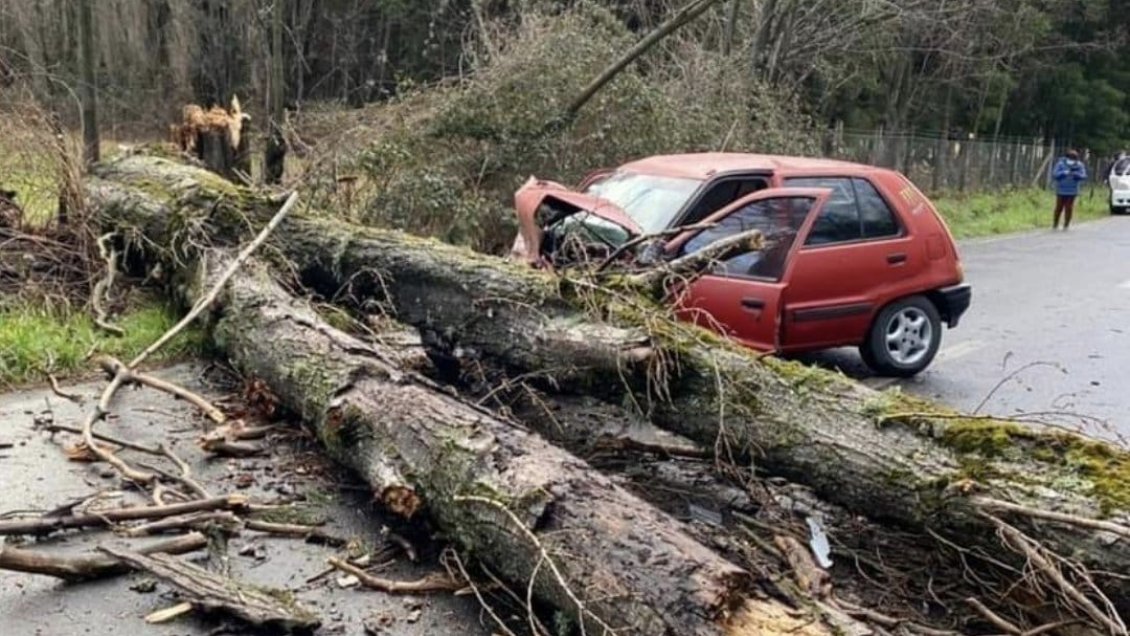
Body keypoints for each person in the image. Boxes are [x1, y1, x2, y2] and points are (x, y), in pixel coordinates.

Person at [1052, 149, 1087, 230]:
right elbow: (1055, 174)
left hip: (1072, 190)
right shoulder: (1060, 164)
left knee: (1069, 208)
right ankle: (1055, 223)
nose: (1071, 161)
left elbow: (1083, 175)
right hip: (1061, 189)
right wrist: (1063, 173)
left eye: (1073, 160)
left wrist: (1076, 174)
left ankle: (1066, 224)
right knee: (1058, 207)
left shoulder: (1079, 165)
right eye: (1070, 159)